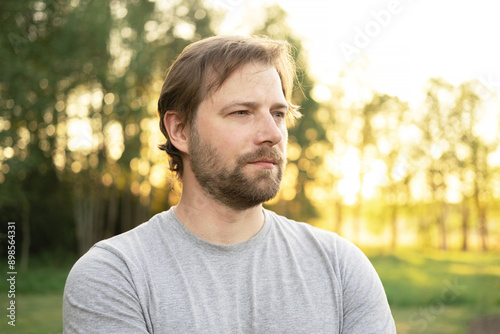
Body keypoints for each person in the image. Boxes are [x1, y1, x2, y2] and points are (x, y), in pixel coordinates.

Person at [63, 35, 396, 333]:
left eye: (278, 114)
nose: (273, 134)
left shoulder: (340, 267)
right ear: (180, 130)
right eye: (242, 112)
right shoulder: (115, 276)